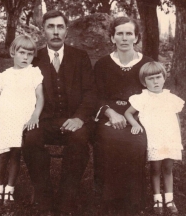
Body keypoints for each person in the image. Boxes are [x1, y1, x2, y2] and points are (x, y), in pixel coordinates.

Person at [22, 10, 96, 215]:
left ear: (66, 30)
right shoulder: (33, 57)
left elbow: (91, 92)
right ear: (43, 31)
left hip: (73, 119)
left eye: (60, 27)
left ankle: (67, 196)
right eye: (50, 27)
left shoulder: (80, 57)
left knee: (80, 139)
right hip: (43, 119)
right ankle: (43, 195)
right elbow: (19, 89)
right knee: (31, 139)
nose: (55, 32)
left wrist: (79, 118)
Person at [93, 16, 152, 214]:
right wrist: (110, 113)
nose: (124, 38)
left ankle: (133, 202)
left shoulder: (147, 63)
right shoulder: (102, 64)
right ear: (112, 38)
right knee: (110, 141)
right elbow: (94, 96)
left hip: (137, 118)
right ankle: (109, 201)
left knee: (136, 143)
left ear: (136, 38)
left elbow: (154, 93)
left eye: (129, 34)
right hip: (109, 118)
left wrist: (133, 117)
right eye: (120, 34)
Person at [0, 35, 44, 207]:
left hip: (23, 120)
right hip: (6, 120)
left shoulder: (34, 73)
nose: (25, 57)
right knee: (2, 155)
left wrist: (35, 115)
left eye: (29, 53)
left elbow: (40, 97)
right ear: (13, 52)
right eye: (22, 52)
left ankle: (10, 189)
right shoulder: (3, 76)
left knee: (15, 155)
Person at [125, 61, 184, 215]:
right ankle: (157, 198)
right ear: (144, 82)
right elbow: (128, 113)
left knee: (168, 168)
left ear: (164, 78)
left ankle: (169, 199)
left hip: (169, 138)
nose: (155, 81)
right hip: (154, 138)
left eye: (158, 77)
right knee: (155, 168)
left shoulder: (170, 97)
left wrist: (176, 139)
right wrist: (134, 124)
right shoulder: (142, 98)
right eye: (150, 79)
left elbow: (175, 118)